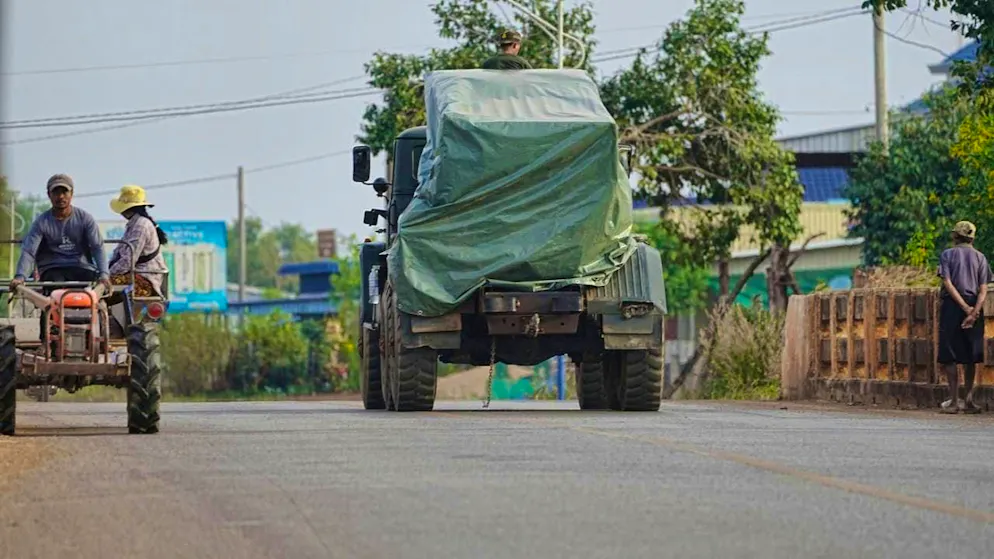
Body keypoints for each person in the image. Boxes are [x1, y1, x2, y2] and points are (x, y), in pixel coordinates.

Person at [9, 173, 110, 293]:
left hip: (81, 267)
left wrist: (104, 275)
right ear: (49, 195)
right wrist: (20, 277)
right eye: (56, 192)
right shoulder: (41, 222)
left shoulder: (85, 218)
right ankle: (51, 311)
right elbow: (29, 251)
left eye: (64, 192)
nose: (61, 196)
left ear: (71, 193)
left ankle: (98, 310)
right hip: (52, 269)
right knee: (54, 288)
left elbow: (97, 247)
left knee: (94, 288)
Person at [937, 220, 991, 414]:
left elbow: (948, 283)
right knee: (970, 354)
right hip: (975, 304)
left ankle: (953, 401)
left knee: (950, 355)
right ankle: (969, 400)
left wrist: (964, 308)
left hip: (953, 305)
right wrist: (974, 311)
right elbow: (983, 289)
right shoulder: (980, 257)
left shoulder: (947, 255)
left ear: (955, 236)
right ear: (972, 237)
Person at [106, 185, 168, 298]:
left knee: (101, 287)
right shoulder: (134, 224)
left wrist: (107, 275)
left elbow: (127, 261)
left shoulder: (141, 226)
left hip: (144, 279)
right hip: (135, 275)